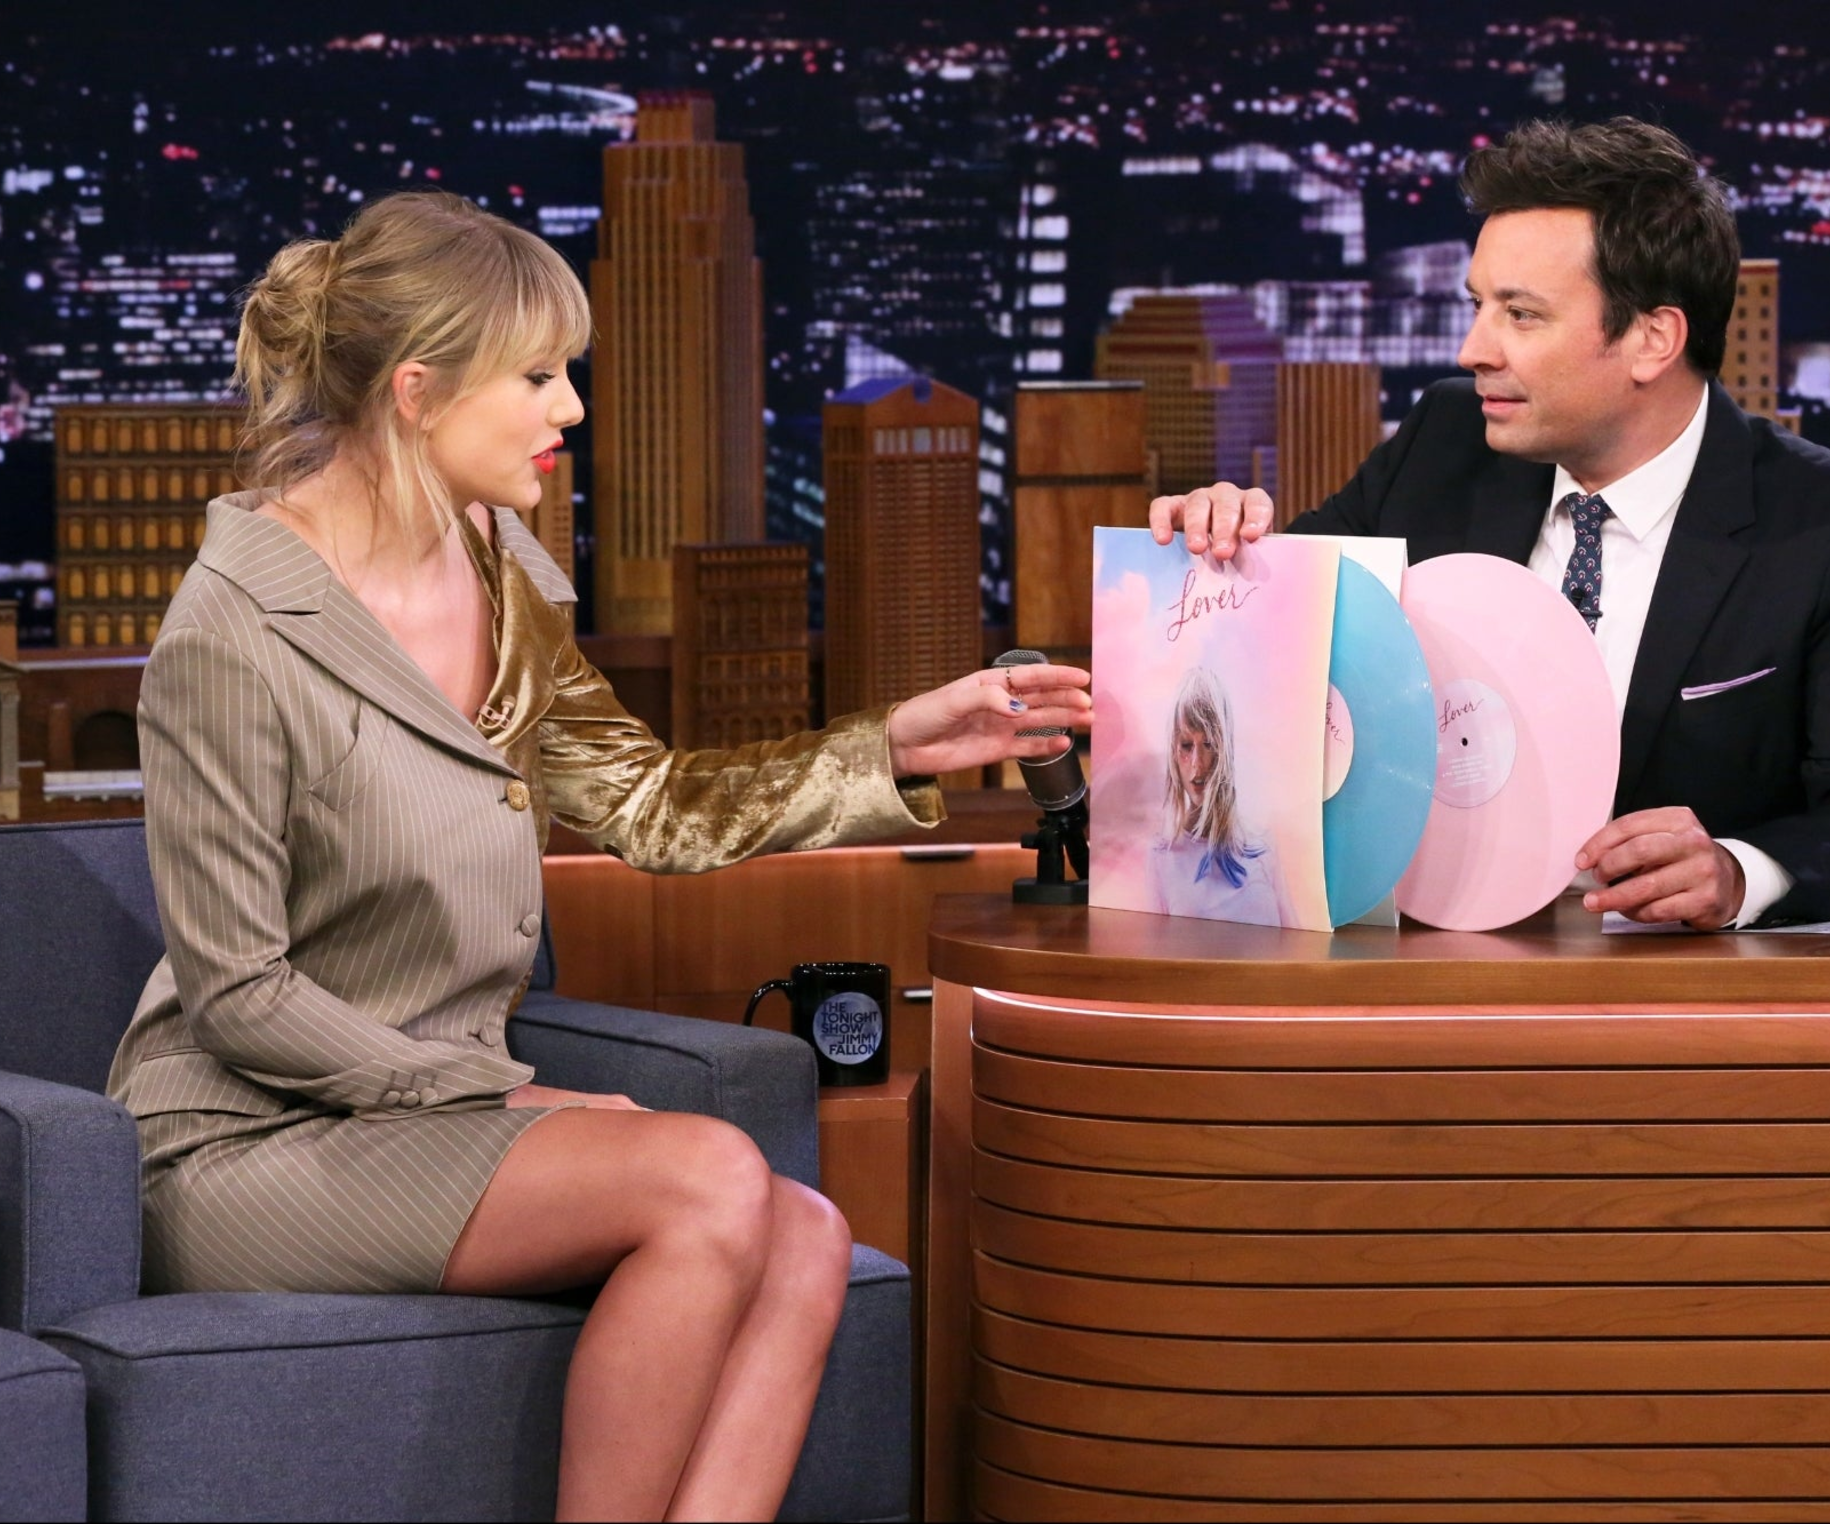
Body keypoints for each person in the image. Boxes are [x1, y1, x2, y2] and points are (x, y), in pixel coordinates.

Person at [102, 191, 1089, 1523]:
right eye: (536, 377)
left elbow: (652, 805)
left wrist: (898, 743)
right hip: (250, 1141)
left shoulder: (500, 571)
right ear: (416, 392)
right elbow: (240, 997)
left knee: (804, 1235)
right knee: (707, 1178)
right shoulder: (234, 630)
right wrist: (499, 1097)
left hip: (427, 1117)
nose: (569, 407)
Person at [1151, 117, 1830, 928]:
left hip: (1668, 976)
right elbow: (1275, 654)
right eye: (1478, 305)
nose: (1473, 350)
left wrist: (1741, 873)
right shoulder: (1443, 441)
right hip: (1414, 960)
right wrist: (1220, 559)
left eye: (1521, 315)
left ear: (1652, 339)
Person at [1147, 666, 1289, 925]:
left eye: (1209, 744)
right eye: (1186, 746)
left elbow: (1297, 934)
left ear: (1225, 747)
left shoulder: (1264, 843)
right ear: (1173, 751)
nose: (1197, 764)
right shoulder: (1160, 858)